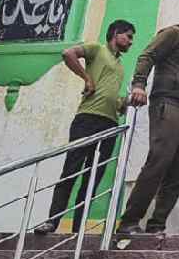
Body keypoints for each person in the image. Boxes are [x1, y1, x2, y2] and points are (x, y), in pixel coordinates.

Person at [117, 1, 179, 234]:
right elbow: (147, 56)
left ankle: (157, 224)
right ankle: (130, 221)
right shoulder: (174, 34)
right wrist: (139, 85)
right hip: (170, 107)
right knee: (158, 163)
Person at [35, 20, 136, 235]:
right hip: (87, 119)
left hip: (109, 124)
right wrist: (86, 78)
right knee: (71, 171)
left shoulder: (119, 66)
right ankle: (52, 222)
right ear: (116, 33)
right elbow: (68, 54)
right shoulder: (97, 49)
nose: (130, 41)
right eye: (128, 36)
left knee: (92, 178)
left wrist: (126, 102)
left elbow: (114, 101)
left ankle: (78, 229)